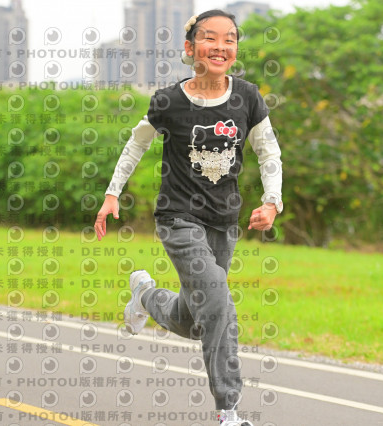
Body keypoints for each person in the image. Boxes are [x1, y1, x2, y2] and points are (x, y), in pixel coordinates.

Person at [94, 9, 283, 426]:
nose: (220, 46)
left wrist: (272, 202)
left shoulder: (247, 97)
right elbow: (136, 144)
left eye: (229, 39)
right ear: (190, 47)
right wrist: (112, 194)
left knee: (197, 320)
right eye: (210, 38)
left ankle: (145, 296)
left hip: (223, 221)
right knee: (218, 303)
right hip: (178, 218)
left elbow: (268, 150)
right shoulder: (169, 101)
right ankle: (228, 410)